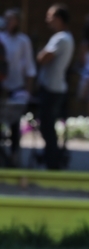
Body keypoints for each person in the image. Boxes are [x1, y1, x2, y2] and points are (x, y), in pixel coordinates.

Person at [36, 3, 74, 170]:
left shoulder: (61, 38)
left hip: (52, 88)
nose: (47, 21)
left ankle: (53, 162)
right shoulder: (67, 37)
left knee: (47, 127)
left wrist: (40, 53)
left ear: (59, 19)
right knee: (48, 126)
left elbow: (43, 58)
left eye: (50, 17)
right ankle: (52, 158)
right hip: (56, 87)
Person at [0, 9, 36, 167]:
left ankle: (14, 155)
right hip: (2, 87)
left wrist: (27, 90)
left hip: (17, 87)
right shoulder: (1, 38)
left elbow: (29, 66)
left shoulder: (23, 40)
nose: (8, 22)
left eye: (11, 19)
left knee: (14, 123)